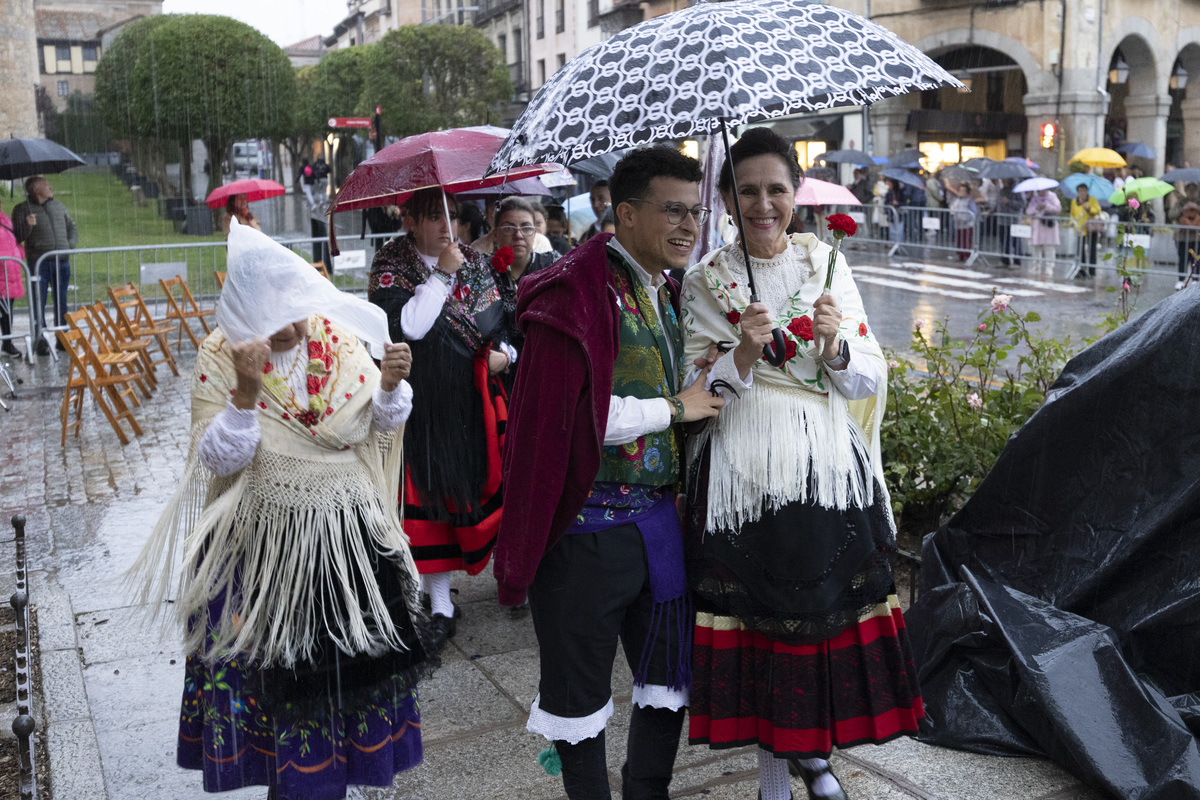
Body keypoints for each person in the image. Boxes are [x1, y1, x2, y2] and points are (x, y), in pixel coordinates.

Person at [130, 218, 433, 800]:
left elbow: (380, 422)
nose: (294, 326)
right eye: (278, 316)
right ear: (246, 309)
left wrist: (392, 387)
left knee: (343, 700)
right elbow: (216, 460)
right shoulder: (222, 355)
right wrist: (245, 394)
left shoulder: (338, 340)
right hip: (262, 557)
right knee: (284, 716)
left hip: (347, 549)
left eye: (297, 309)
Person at [680, 126, 922, 800]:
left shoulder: (830, 267)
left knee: (816, 622)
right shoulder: (705, 282)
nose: (763, 204)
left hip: (825, 472)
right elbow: (696, 394)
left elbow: (867, 376)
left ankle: (813, 756)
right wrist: (743, 354)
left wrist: (837, 345)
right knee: (755, 629)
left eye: (776, 190)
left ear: (797, 194)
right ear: (727, 199)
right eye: (748, 190)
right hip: (742, 479)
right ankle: (770, 781)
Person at [494, 146, 725, 800]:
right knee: (578, 704)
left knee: (666, 686)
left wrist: (736, 361)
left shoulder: (667, 291)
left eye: (696, 211)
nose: (688, 225)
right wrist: (676, 406)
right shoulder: (572, 292)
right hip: (584, 536)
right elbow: (569, 416)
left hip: (656, 530)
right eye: (672, 210)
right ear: (625, 214)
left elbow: (685, 391)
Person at [369, 188, 514, 649]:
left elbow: (504, 324)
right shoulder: (391, 263)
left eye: (449, 215)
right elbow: (406, 328)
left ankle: (506, 579)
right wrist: (441, 278)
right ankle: (439, 604)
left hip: (470, 400)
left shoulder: (473, 259)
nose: (444, 226)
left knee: (471, 493)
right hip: (418, 403)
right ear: (408, 220)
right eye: (433, 216)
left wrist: (505, 356)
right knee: (427, 503)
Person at [490, 196, 560, 393]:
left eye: (526, 227)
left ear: (535, 232)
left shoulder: (553, 266)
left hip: (544, 364)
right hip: (500, 369)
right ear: (495, 234)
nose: (518, 235)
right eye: (509, 228)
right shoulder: (484, 269)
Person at [12, 176, 76, 355]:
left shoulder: (58, 206)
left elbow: (72, 226)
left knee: (61, 301)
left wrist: (69, 245)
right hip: (39, 262)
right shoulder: (22, 209)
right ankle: (40, 339)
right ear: (37, 190)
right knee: (38, 302)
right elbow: (17, 237)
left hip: (61, 261)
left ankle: (62, 338)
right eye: (47, 185)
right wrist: (27, 224)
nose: (50, 187)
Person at [0, 206, 27, 357]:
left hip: (9, 274)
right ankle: (7, 342)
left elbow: (14, 240)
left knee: (7, 311)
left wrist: (18, 254)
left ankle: (7, 342)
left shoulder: (5, 219)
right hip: (2, 273)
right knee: (5, 311)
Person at [1025, 188, 1062, 278]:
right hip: (1037, 227)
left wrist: (1046, 206)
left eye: (1041, 190)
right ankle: (1036, 266)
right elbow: (1028, 211)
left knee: (1049, 248)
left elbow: (1058, 208)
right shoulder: (1034, 199)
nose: (1039, 191)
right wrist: (1036, 208)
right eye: (1038, 190)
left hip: (1048, 226)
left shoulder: (1053, 196)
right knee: (1036, 247)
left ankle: (1049, 267)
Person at [1070, 184, 1102, 277]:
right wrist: (1072, 223)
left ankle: (1092, 270)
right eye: (1080, 191)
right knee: (1080, 250)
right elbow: (1072, 213)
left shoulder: (1092, 200)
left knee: (1092, 249)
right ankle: (1082, 269)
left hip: (1091, 228)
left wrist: (1088, 208)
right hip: (1080, 228)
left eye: (1084, 190)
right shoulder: (1074, 201)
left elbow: (1097, 210)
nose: (1082, 193)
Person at [1174, 200, 1200, 290]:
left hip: (1196, 239)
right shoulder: (1180, 201)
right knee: (1183, 259)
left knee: (1196, 259)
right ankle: (1181, 279)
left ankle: (1195, 279)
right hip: (1182, 239)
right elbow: (1172, 215)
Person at [949, 182, 977, 261]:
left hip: (967, 224)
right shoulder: (956, 200)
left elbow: (974, 211)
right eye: (960, 191)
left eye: (963, 191)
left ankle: (967, 255)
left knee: (966, 240)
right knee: (959, 240)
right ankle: (960, 254)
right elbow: (953, 209)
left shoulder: (969, 201)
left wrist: (968, 218)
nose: (961, 193)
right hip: (958, 223)